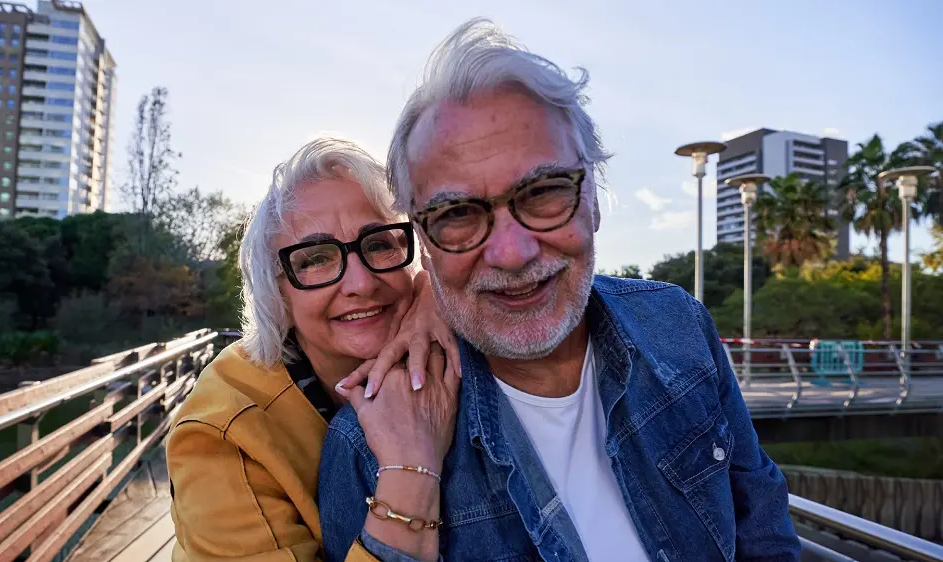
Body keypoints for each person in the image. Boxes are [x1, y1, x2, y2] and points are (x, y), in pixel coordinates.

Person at [317, 18, 801, 562]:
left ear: (594, 195)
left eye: (544, 192)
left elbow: (762, 527)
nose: (512, 252)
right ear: (425, 245)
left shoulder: (679, 327)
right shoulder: (365, 454)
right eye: (456, 214)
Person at [167, 137, 461, 561]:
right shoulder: (222, 433)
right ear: (277, 292)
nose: (360, 283)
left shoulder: (431, 319)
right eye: (315, 259)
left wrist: (436, 293)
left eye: (379, 244)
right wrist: (409, 471)